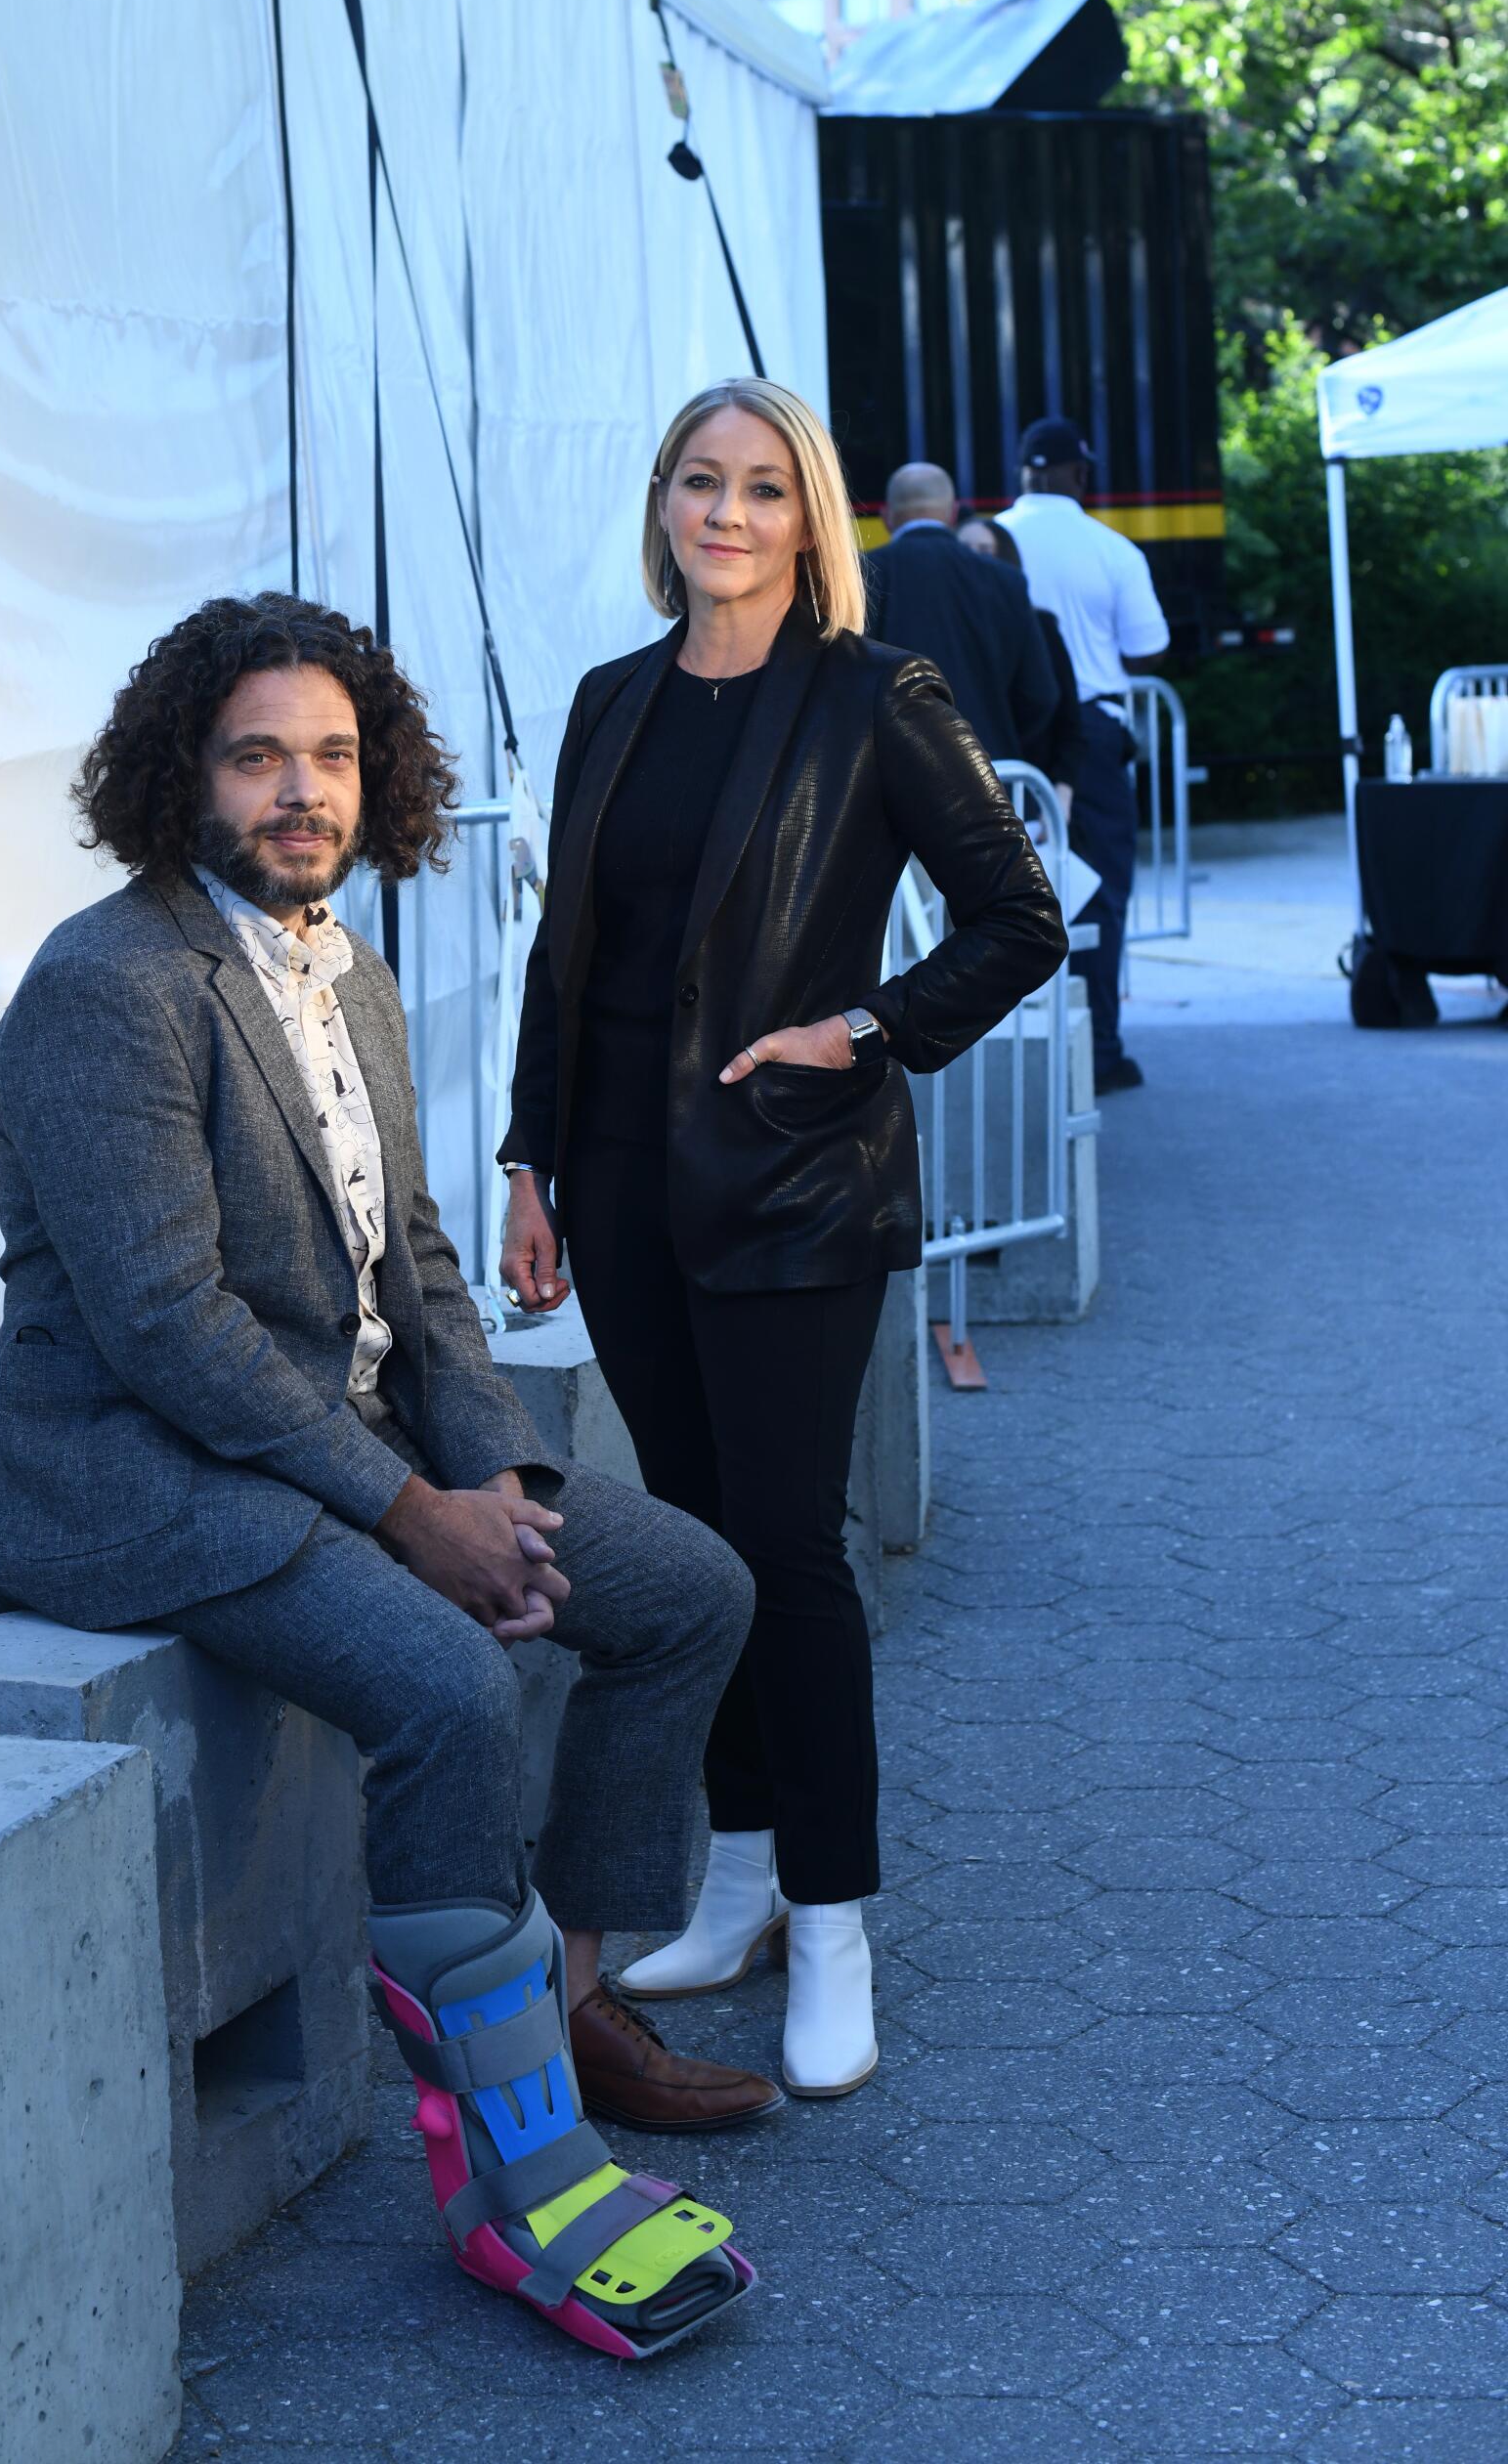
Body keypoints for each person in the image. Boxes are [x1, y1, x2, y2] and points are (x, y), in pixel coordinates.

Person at [0, 592, 773, 2361]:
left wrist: (495, 1484)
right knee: (447, 1688)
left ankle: (556, 2022)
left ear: (377, 776)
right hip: (140, 1474)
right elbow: (172, 1331)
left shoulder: (354, 969)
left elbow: (418, 1272)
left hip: (344, 1441)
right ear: (181, 771)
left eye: (330, 755)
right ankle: (515, 2192)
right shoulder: (110, 986)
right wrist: (417, 1520)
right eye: (257, 754)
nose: (299, 790)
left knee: (686, 1593)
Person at [499, 381, 1067, 2102]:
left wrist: (866, 1030)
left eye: (760, 488)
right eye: (698, 481)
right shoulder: (610, 699)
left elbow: (1018, 918)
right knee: (692, 1547)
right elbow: (567, 956)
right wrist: (534, 1165)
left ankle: (831, 1920)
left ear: (811, 518)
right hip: (620, 1177)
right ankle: (737, 1875)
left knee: (790, 1552)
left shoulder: (872, 693)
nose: (725, 514)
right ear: (662, 503)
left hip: (795, 1178)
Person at [1001, 417, 1171, 1094]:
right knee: (1097, 888)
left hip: (1008, 734)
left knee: (997, 889)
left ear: (1024, 473)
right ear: (1079, 473)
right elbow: (1146, 647)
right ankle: (1098, 1047)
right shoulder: (1112, 549)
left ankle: (1011, 1045)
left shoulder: (991, 541)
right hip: (1094, 735)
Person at [864, 460, 1059, 766]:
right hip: (994, 775)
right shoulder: (1006, 580)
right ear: (953, 514)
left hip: (892, 779)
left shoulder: (863, 575)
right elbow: (1039, 694)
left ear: (887, 517)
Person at [958, 512, 1083, 817]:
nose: (975, 561)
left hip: (1028, 787)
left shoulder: (1040, 624)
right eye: (965, 551)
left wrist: (1062, 794)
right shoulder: (949, 632)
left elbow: (1068, 718)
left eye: (985, 551)